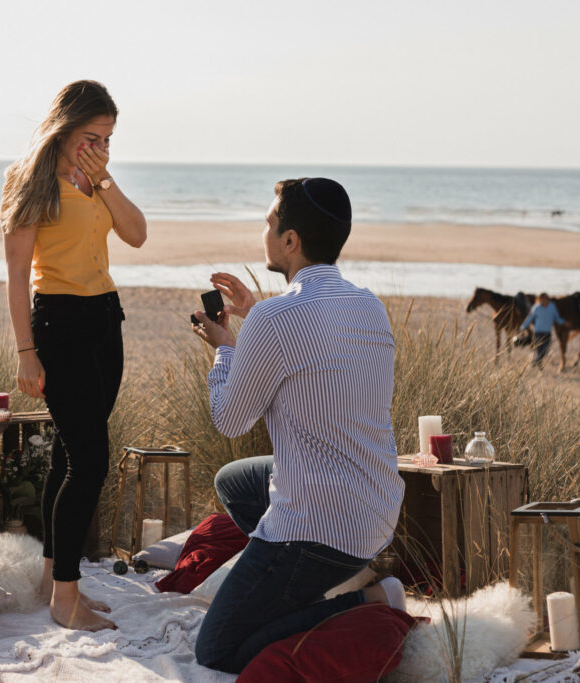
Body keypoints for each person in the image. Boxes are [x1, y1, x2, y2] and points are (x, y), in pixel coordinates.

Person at [190, 177, 406, 674]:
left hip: (316, 528)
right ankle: (295, 583)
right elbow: (311, 338)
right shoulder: (369, 306)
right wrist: (254, 313)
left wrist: (226, 348)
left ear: (290, 241)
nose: (264, 231)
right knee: (235, 482)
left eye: (270, 223)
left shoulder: (274, 320)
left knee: (217, 649)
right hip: (374, 513)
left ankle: (366, 600)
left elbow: (230, 418)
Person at [0, 80, 147, 632]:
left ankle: (49, 579)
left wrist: (104, 177)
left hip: (106, 323)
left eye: (109, 139)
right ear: (64, 128)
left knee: (70, 452)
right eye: (92, 136)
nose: (101, 148)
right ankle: (66, 599)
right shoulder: (29, 181)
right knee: (90, 460)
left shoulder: (96, 179)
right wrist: (26, 353)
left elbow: (137, 235)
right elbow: (17, 275)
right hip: (58, 325)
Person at [519, 292, 565, 369]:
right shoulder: (536, 308)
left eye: (545, 299)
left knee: (545, 350)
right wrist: (523, 327)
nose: (544, 300)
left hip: (547, 333)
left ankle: (535, 362)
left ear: (548, 299)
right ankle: (537, 364)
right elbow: (530, 318)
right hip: (538, 333)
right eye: (542, 299)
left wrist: (564, 322)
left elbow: (557, 318)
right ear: (540, 300)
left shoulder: (552, 307)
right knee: (539, 349)